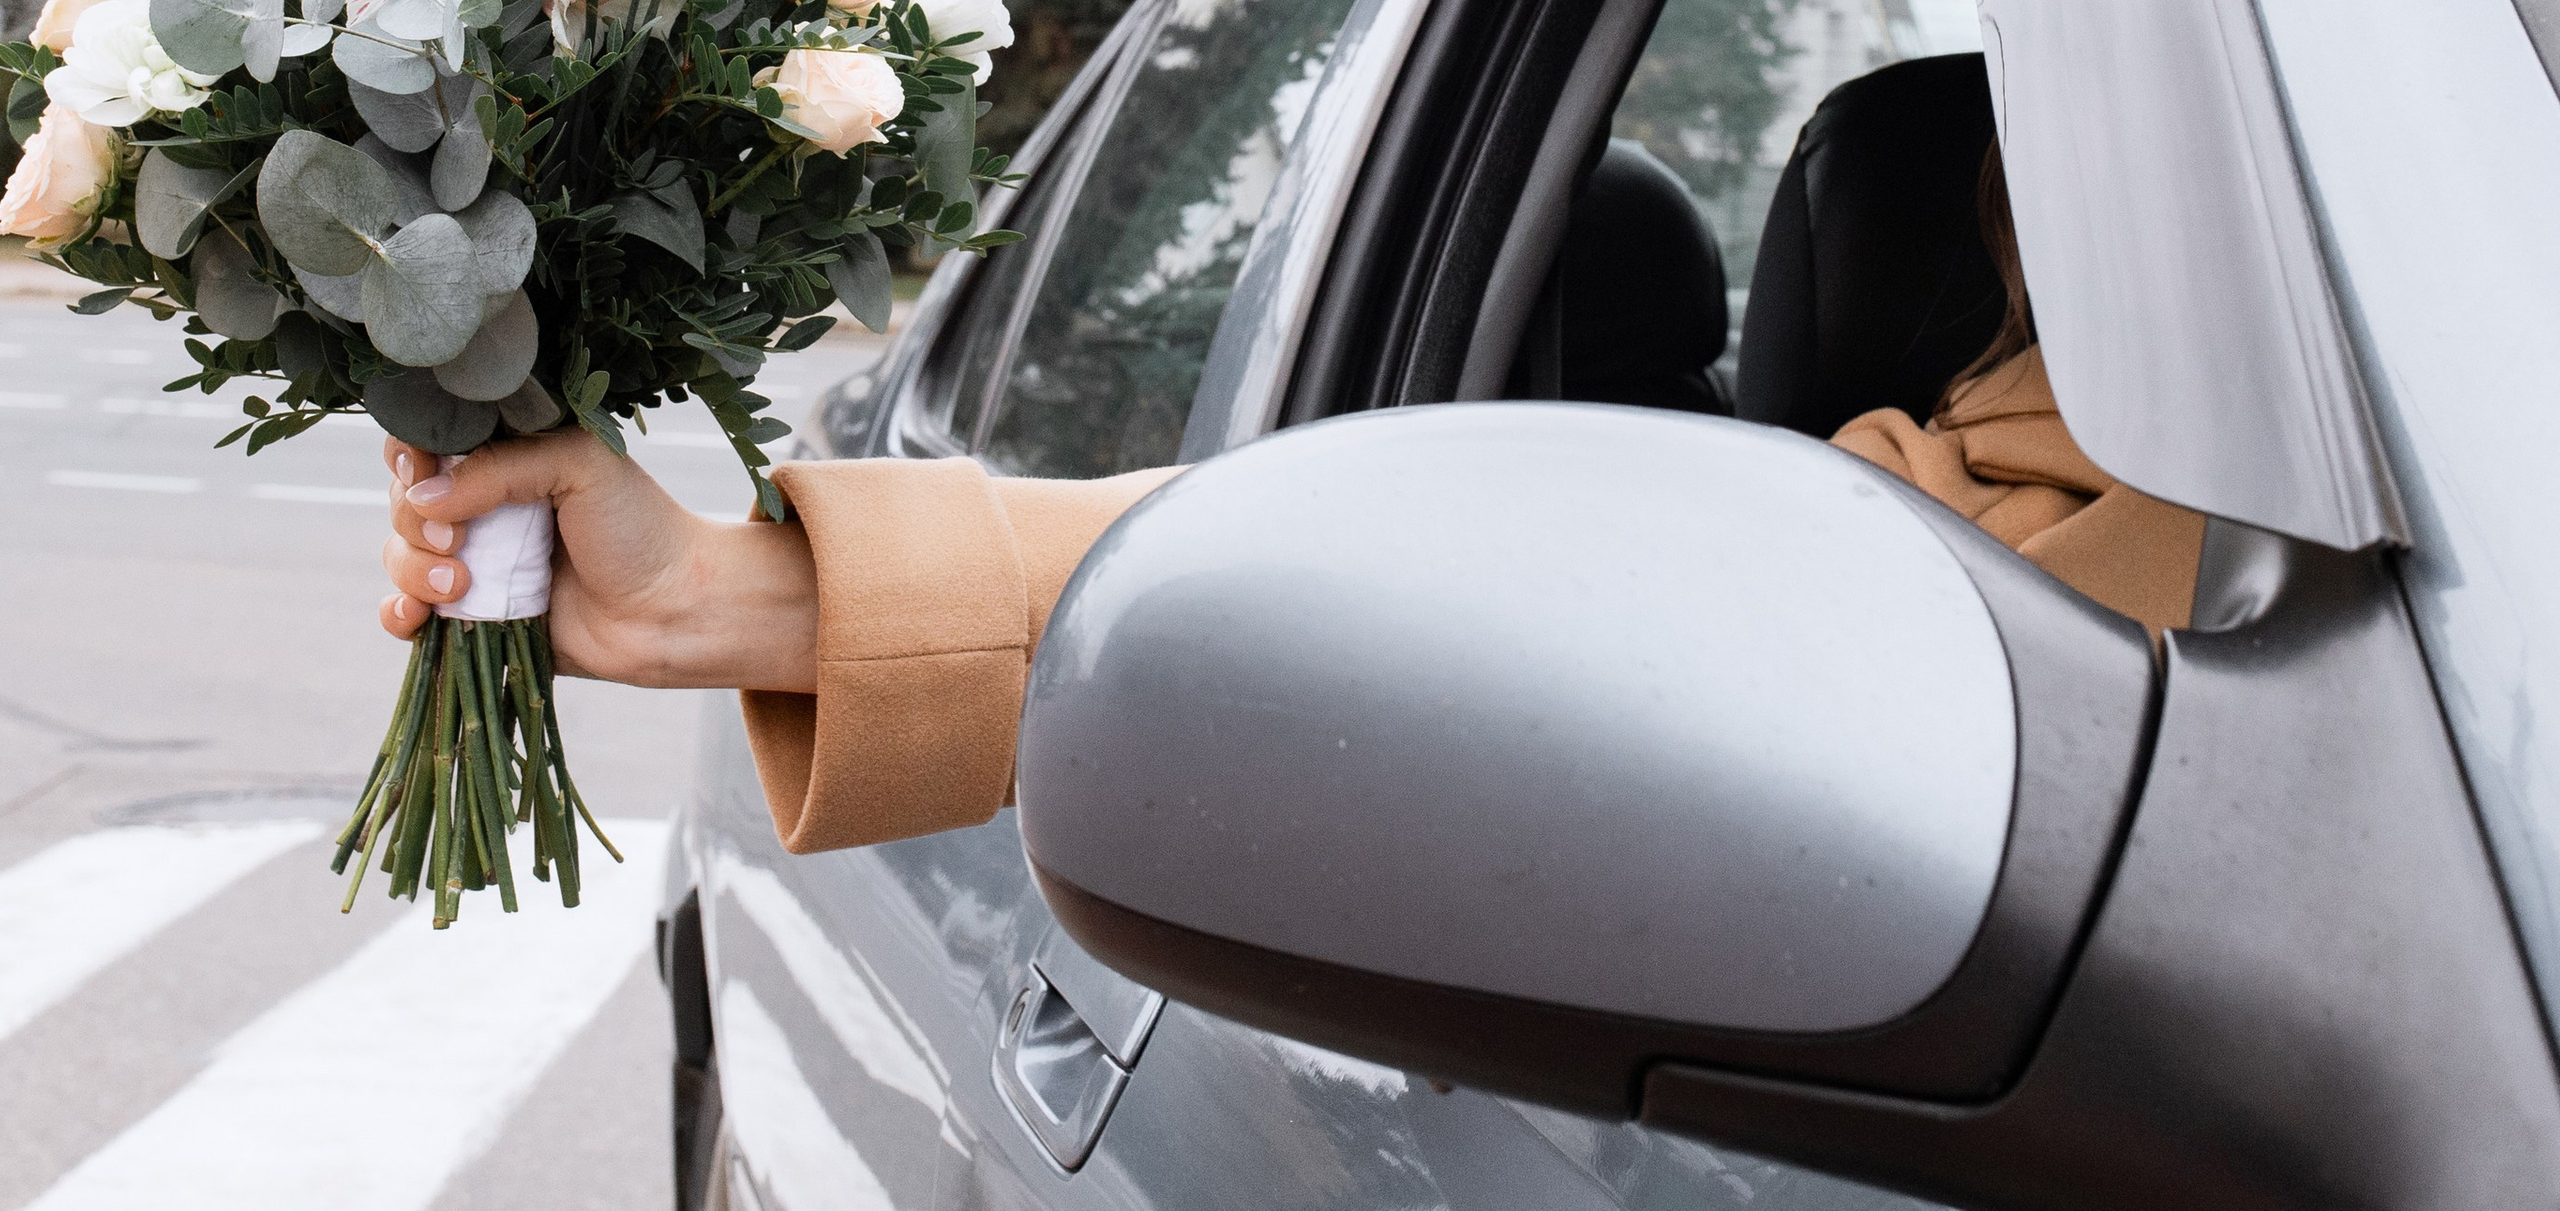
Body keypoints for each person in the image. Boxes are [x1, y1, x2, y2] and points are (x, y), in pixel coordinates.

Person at [376, 143, 2202, 855]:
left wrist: (735, 600)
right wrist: (728, 599)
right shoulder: (1925, 513)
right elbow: (1519, 598)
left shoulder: (2053, 522)